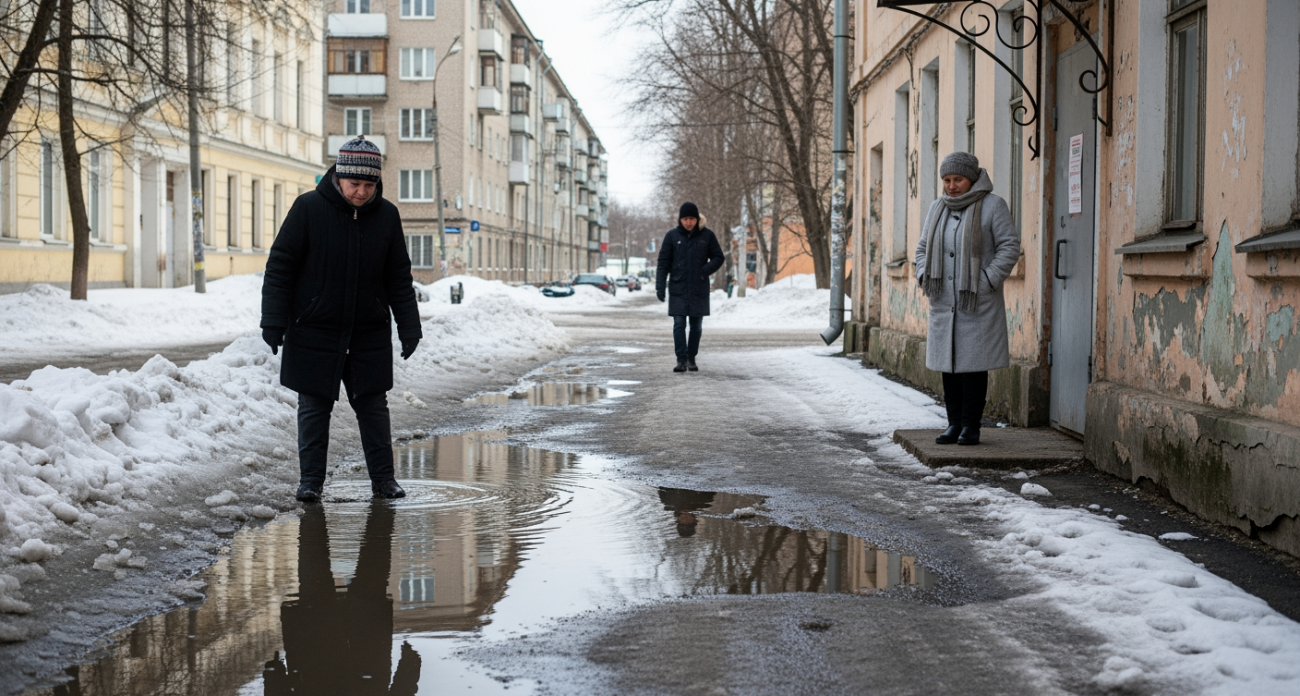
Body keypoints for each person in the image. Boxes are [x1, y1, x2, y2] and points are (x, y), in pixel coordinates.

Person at [261, 136, 422, 502]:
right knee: (314, 406)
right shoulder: (308, 208)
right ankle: (310, 483)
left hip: (368, 330)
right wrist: (273, 320)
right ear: (338, 177)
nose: (362, 192)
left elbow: (399, 277)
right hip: (315, 327)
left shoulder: (387, 216)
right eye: (355, 184)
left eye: (370, 184)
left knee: (373, 407)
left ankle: (384, 481)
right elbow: (280, 266)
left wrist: (409, 326)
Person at [915, 152, 1021, 446]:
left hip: (977, 301)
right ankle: (953, 424)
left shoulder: (992, 206)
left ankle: (970, 426)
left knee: (974, 365)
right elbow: (922, 247)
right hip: (943, 300)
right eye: (947, 180)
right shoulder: (938, 208)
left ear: (972, 178)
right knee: (948, 365)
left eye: (957, 179)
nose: (951, 186)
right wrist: (924, 274)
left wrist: (988, 279)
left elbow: (1009, 246)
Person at [655, 202, 725, 372]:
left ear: (697, 219)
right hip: (678, 287)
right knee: (679, 324)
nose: (688, 222)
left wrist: (704, 271)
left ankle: (691, 358)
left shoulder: (707, 236)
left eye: (691, 219)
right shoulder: (672, 236)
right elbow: (663, 262)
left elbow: (718, 257)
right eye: (685, 219)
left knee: (696, 326)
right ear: (680, 219)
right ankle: (681, 359)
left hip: (698, 288)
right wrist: (660, 286)